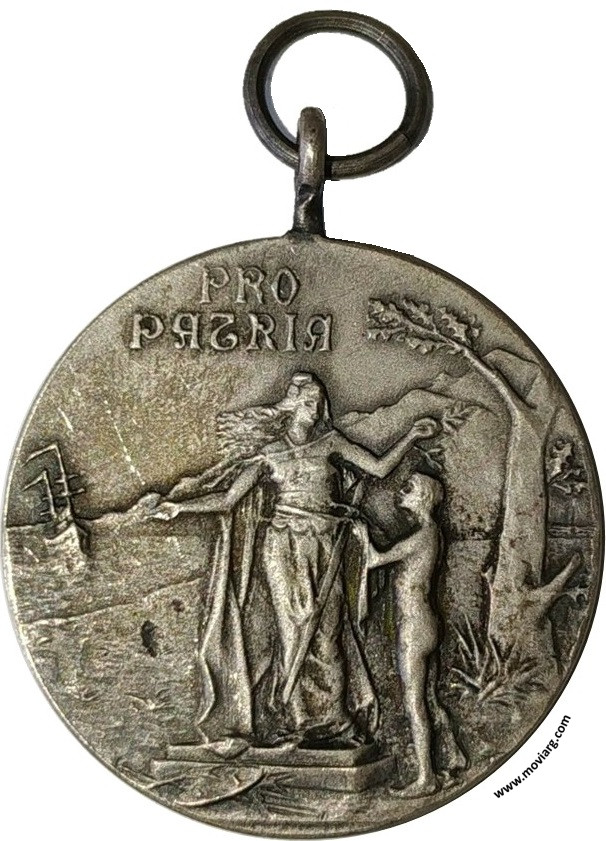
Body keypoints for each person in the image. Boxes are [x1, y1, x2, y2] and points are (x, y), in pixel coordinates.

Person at [151, 372, 439, 754]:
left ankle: (334, 722)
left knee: (326, 635)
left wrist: (411, 436)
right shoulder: (270, 452)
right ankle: (298, 722)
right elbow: (228, 499)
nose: (314, 409)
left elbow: (379, 468)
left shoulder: (331, 442)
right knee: (292, 634)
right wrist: (179, 508)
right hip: (283, 547)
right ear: (291, 405)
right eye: (307, 401)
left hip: (326, 545)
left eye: (318, 402)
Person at [367, 473, 467, 794]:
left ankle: (426, 778)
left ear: (422, 497)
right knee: (430, 698)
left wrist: (358, 530)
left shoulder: (422, 535)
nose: (402, 491)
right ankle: (452, 758)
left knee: (415, 704)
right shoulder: (431, 533)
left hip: (414, 626)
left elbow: (374, 559)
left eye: (408, 488)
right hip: (426, 623)